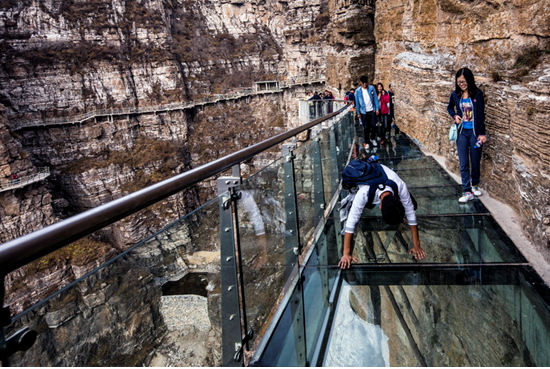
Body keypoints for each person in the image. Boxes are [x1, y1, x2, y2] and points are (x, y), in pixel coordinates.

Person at [338, 157, 425, 269]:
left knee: (413, 205)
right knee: (361, 210)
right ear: (379, 206)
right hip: (368, 183)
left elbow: (411, 212)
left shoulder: (400, 185)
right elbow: (351, 223)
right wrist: (346, 254)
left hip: (382, 182)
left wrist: (416, 245)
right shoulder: (363, 193)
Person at [447, 67, 487, 203]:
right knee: (464, 162)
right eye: (459, 82)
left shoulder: (477, 95)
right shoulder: (455, 95)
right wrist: (455, 115)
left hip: (475, 134)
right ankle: (467, 190)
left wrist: (482, 134)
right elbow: (449, 107)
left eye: (464, 82)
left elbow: (481, 115)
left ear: (469, 80)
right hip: (462, 133)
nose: (462, 84)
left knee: (475, 161)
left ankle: (475, 184)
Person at [354, 76, 379, 150]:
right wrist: (358, 113)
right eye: (364, 83)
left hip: (372, 110)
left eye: (366, 82)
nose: (365, 84)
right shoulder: (358, 91)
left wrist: (377, 108)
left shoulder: (371, 88)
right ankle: (367, 142)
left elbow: (375, 99)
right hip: (363, 112)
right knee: (366, 127)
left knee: (374, 126)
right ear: (361, 83)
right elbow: (357, 103)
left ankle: (372, 138)